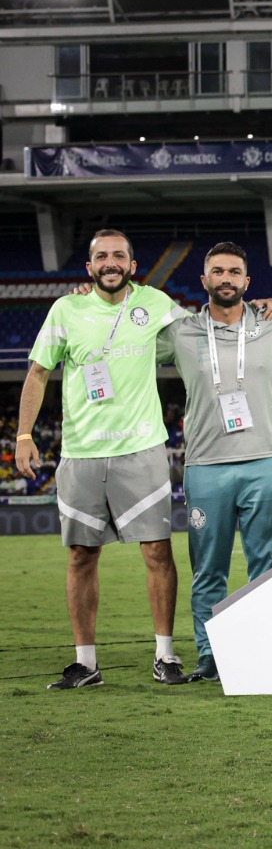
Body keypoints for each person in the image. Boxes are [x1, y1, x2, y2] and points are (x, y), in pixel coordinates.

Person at [17, 228, 188, 688]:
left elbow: (205, 331)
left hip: (142, 449)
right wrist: (24, 434)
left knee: (157, 551)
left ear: (133, 265)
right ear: (89, 267)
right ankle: (86, 663)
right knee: (80, 556)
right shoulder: (66, 309)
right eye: (101, 257)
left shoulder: (155, 303)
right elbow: (37, 373)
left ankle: (165, 655)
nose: (110, 263)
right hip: (81, 453)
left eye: (119, 256)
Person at [157, 242, 272, 683]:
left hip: (266, 461)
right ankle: (210, 656)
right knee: (207, 568)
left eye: (235, 271)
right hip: (206, 465)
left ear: (247, 283)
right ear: (204, 281)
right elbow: (122, 346)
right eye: (218, 271)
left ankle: (267, 647)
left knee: (267, 564)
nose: (226, 278)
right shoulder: (180, 332)